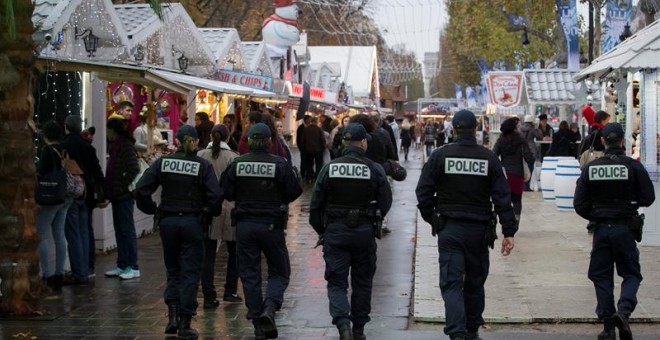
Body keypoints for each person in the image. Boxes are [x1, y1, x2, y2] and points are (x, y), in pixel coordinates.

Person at [415, 110, 517, 340]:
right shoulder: (488, 157)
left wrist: (433, 219)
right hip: (478, 231)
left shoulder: (440, 156)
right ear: (476, 129)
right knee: (475, 282)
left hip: (449, 229)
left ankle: (456, 333)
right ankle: (471, 330)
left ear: (453, 130)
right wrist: (508, 231)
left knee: (451, 284)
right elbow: (502, 196)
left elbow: (423, 193)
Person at [135, 125, 223, 338]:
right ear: (192, 141)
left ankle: (172, 316)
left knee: (173, 269)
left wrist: (153, 210)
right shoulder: (202, 166)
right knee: (191, 271)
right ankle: (185, 322)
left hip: (169, 221)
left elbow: (141, 188)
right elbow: (215, 196)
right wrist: (207, 212)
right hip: (193, 221)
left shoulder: (164, 163)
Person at [309, 123, 392, 340]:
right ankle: (358, 329)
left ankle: (343, 325)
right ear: (363, 143)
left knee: (336, 282)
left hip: (335, 231)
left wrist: (323, 230)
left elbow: (315, 205)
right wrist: (374, 218)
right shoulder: (374, 169)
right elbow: (386, 202)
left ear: (344, 143)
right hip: (364, 232)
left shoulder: (330, 168)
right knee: (362, 282)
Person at [220, 123, 303, 339]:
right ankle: (270, 308)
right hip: (271, 225)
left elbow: (226, 192)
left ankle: (257, 320)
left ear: (248, 141)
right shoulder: (280, 164)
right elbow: (294, 191)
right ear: (269, 142)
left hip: (245, 225)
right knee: (279, 270)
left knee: (249, 273)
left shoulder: (237, 164)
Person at [573, 123, 655, 340]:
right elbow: (649, 197)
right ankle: (624, 310)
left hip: (601, 229)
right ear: (622, 141)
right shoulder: (633, 166)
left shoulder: (591, 168)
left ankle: (608, 325)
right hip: (625, 227)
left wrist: (596, 215)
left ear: (602, 141)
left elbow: (579, 204)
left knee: (601, 276)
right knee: (631, 273)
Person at [197, 124, 241, 308]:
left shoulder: (200, 156)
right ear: (228, 138)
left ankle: (208, 295)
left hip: (207, 209)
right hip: (230, 208)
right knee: (234, 252)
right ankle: (230, 291)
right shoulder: (234, 158)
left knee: (207, 254)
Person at [60, 115, 108, 284]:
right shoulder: (87, 147)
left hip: (70, 192)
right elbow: (97, 171)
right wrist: (105, 192)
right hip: (86, 193)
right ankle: (88, 267)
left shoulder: (63, 146)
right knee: (85, 230)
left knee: (73, 233)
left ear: (66, 127)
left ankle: (79, 272)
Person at [36, 121, 74, 292]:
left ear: (45, 135)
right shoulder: (64, 149)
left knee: (41, 233)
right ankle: (59, 273)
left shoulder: (47, 151)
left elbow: (41, 171)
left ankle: (47, 275)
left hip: (51, 196)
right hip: (65, 194)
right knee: (59, 233)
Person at [104, 119, 141, 280]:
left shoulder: (125, 146)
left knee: (127, 229)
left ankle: (133, 265)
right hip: (117, 195)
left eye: (107, 130)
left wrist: (122, 185)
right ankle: (122, 263)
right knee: (120, 229)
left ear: (113, 130)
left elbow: (134, 168)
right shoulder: (116, 146)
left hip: (124, 195)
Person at [492, 118, 534, 226]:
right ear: (514, 128)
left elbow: (493, 156)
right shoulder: (520, 140)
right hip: (517, 175)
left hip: (505, 175)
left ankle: (503, 221)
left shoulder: (500, 140)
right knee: (516, 199)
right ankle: (516, 220)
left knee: (504, 199)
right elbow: (529, 157)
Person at [519, 114, 543, 191]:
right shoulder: (532, 129)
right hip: (530, 150)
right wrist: (536, 127)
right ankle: (527, 185)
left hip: (521, 150)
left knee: (522, 169)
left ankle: (523, 186)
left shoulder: (520, 129)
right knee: (530, 168)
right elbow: (540, 136)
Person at [301, 116, 327, 180]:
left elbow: (303, 140)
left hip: (308, 150)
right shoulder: (319, 129)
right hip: (318, 150)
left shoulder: (306, 129)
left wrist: (304, 148)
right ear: (316, 122)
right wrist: (323, 147)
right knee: (318, 165)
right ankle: (317, 178)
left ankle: (309, 177)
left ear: (311, 121)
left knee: (309, 164)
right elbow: (322, 140)